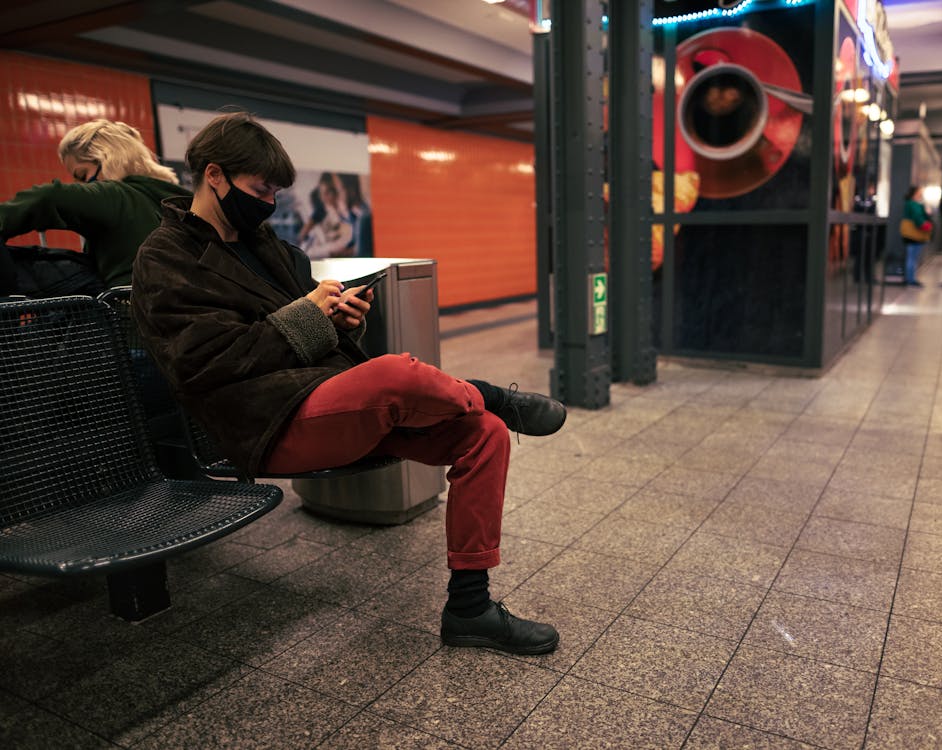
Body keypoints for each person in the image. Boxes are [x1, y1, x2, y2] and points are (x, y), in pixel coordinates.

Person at [131, 112, 563, 655]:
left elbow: (304, 326)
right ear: (214, 175)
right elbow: (203, 364)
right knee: (393, 374)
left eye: (274, 191)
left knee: (486, 434)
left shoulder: (271, 249)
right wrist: (310, 318)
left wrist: (338, 317)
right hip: (262, 420)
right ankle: (493, 391)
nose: (268, 201)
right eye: (260, 187)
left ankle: (470, 609)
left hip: (324, 400)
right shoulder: (166, 257)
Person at [0, 119, 190, 287]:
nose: (82, 186)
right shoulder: (176, 200)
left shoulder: (118, 195)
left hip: (128, 317)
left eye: (82, 176)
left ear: (108, 157)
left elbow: (47, 197)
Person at [900, 185, 932, 287]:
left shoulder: (914, 204)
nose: (921, 194)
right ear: (915, 193)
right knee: (912, 257)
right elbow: (918, 218)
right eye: (920, 192)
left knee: (911, 257)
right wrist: (925, 224)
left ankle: (910, 278)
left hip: (911, 234)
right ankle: (910, 280)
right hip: (913, 234)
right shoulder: (913, 204)